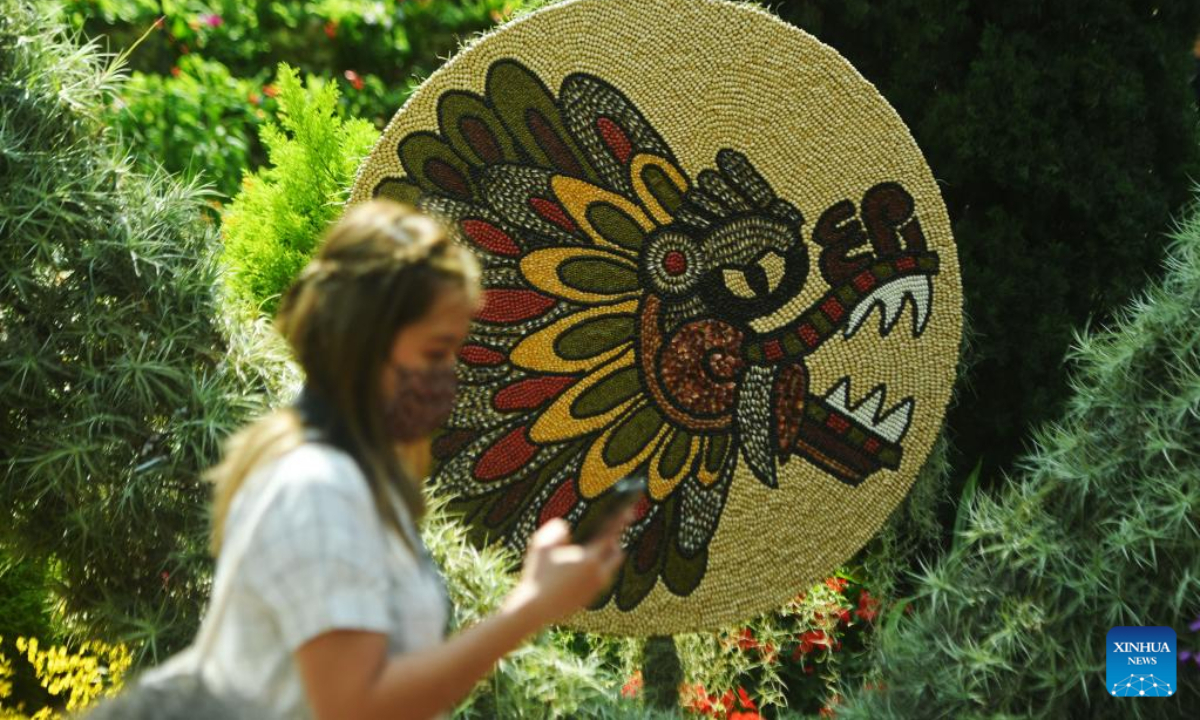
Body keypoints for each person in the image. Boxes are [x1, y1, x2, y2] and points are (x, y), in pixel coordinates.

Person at [145, 199, 631, 720]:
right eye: (434, 352)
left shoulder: (354, 477)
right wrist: (530, 607)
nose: (450, 375)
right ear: (363, 341)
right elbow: (355, 707)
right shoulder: (317, 489)